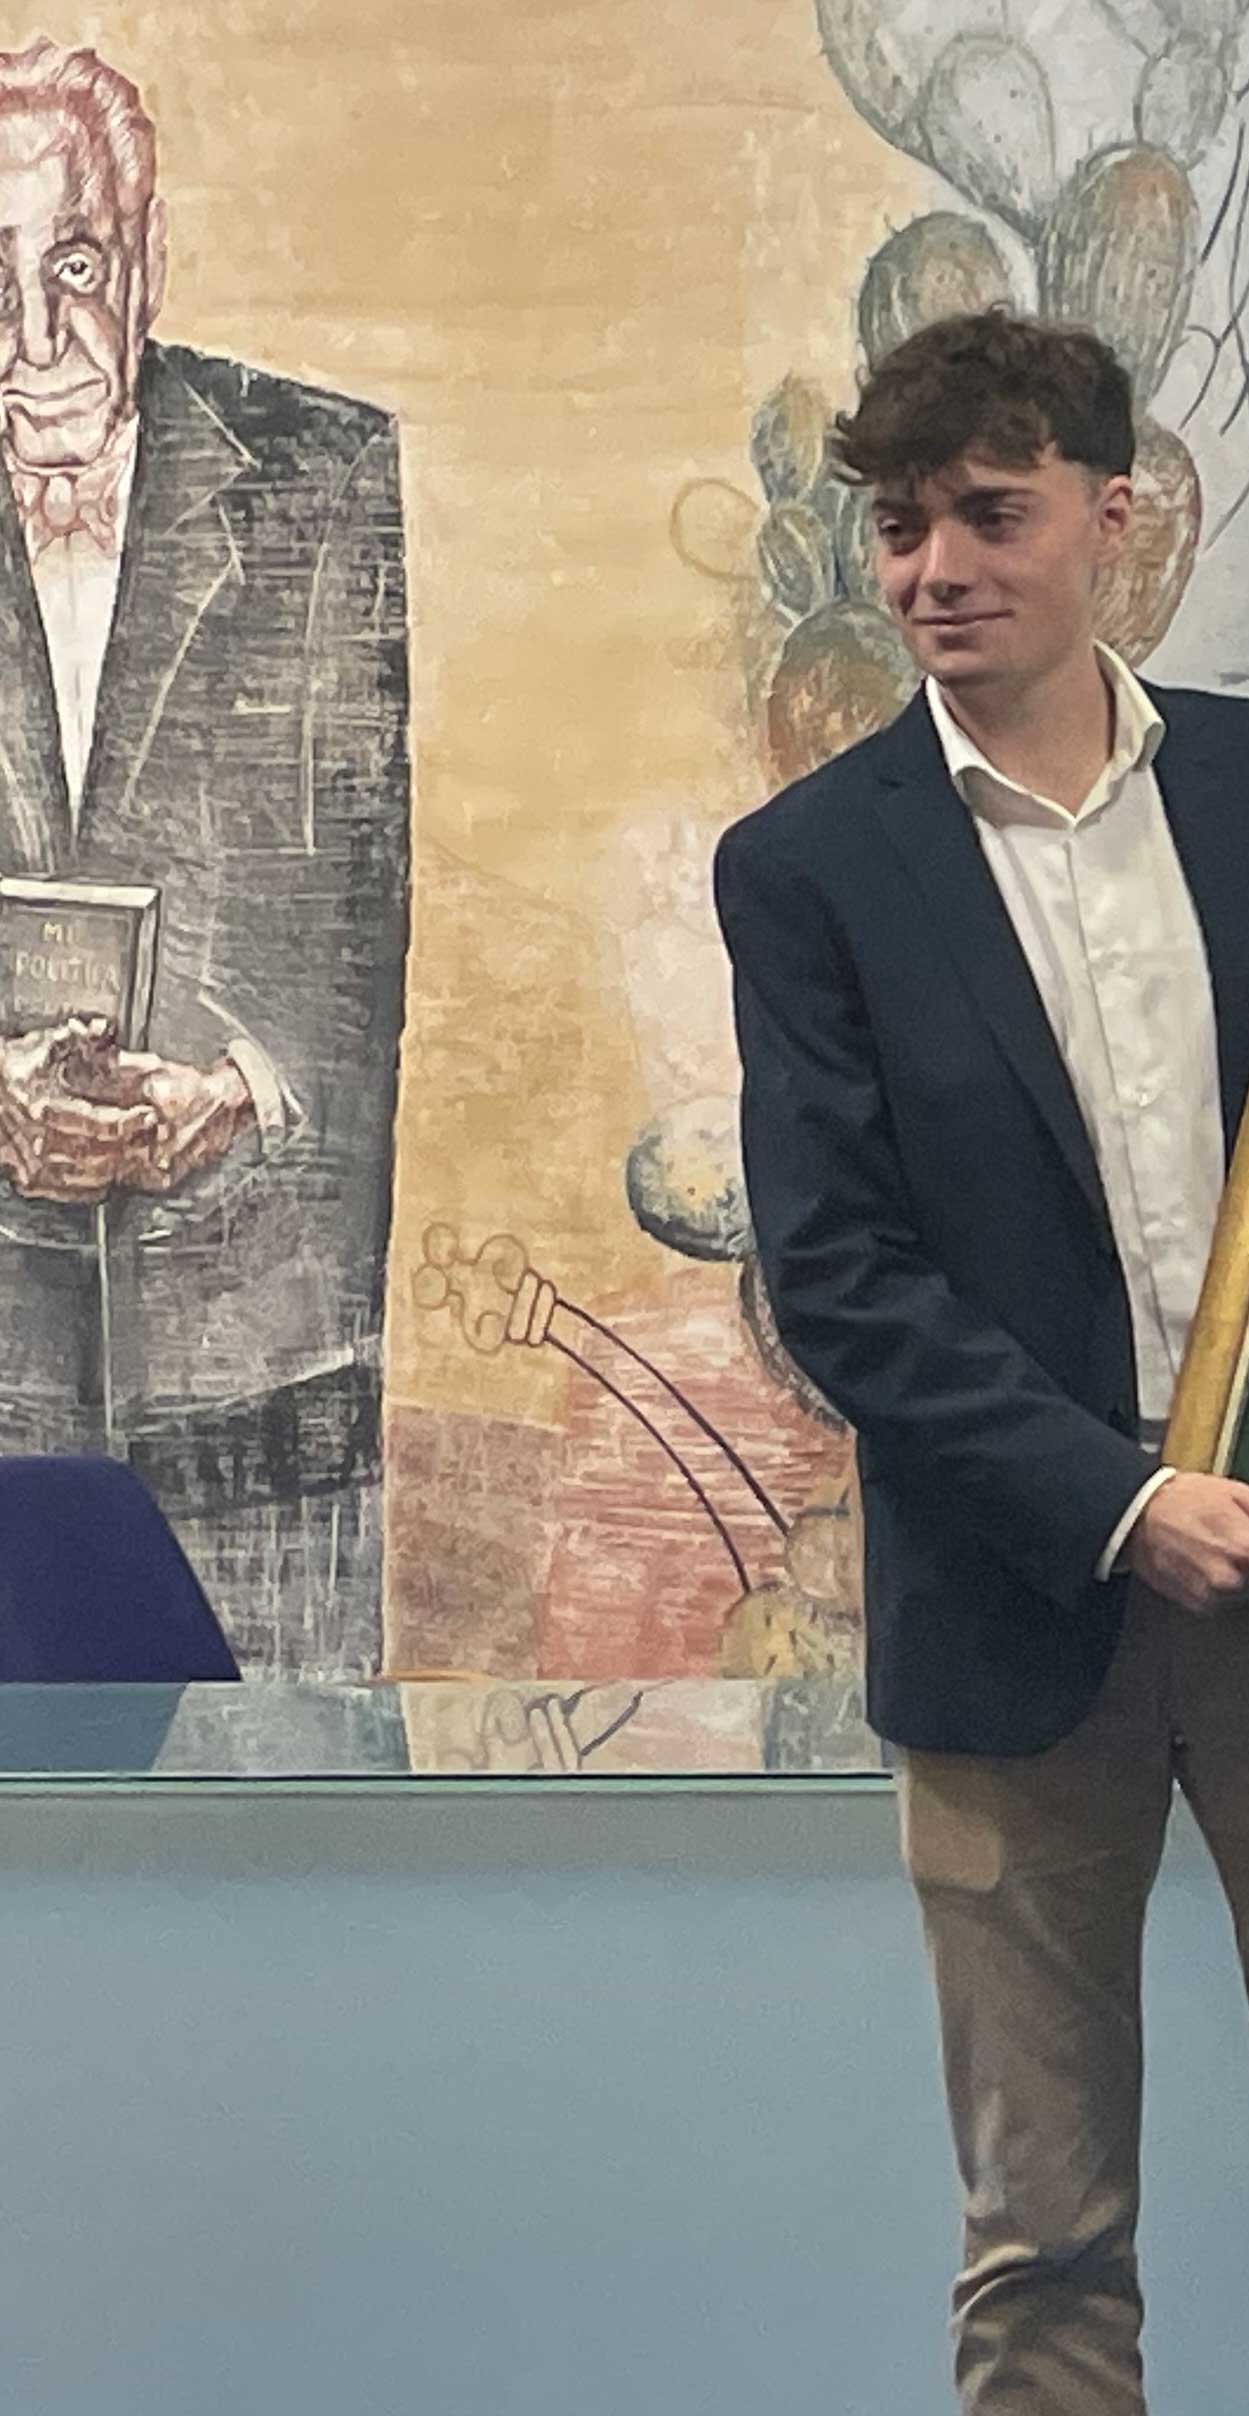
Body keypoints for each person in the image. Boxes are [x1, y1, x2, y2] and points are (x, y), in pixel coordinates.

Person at [713, 311, 1249, 2416]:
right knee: (1041, 2237)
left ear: (1110, 516)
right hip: (1014, 1595)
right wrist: (1122, 1500)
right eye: (901, 528)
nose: (937, 568)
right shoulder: (810, 865)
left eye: (992, 512)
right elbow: (839, 1279)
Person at [0, 38, 410, 1676]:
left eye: (74, 265)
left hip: (261, 1372)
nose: (34, 341)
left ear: (150, 255)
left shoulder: (322, 479)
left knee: (285, 1807)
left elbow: (358, 912)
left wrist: (237, 1087)